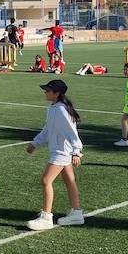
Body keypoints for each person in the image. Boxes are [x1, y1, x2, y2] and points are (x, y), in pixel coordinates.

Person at [24, 79, 84, 231]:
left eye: (48, 90)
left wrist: (77, 151)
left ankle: (46, 217)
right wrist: (35, 143)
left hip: (62, 152)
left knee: (45, 181)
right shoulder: (54, 108)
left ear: (57, 93)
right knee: (69, 180)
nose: (45, 92)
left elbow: (72, 131)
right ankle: (76, 213)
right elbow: (47, 129)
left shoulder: (61, 110)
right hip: (61, 151)